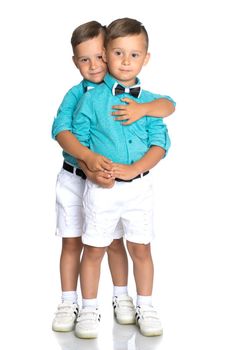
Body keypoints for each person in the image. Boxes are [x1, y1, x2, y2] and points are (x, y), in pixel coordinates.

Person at [51, 20, 175, 334]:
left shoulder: (144, 100)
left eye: (100, 57)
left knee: (123, 245)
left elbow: (167, 111)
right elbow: (67, 133)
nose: (96, 65)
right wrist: (91, 164)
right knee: (80, 243)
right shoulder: (83, 97)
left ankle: (128, 299)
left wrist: (144, 110)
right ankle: (75, 303)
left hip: (128, 186)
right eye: (85, 58)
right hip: (83, 179)